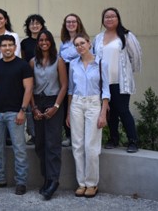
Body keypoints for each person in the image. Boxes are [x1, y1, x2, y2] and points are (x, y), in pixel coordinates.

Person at [0, 35, 33, 195]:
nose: (7, 48)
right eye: (3, 45)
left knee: (19, 149)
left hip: (15, 113)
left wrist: (22, 111)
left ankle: (21, 182)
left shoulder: (23, 65)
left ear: (15, 47)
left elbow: (28, 89)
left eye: (10, 45)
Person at [66, 34, 110, 198]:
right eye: (76, 45)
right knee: (77, 145)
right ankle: (81, 183)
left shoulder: (101, 64)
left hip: (93, 104)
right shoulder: (72, 64)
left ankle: (92, 183)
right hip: (76, 104)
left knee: (91, 146)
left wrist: (103, 112)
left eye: (82, 43)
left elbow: (105, 90)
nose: (79, 47)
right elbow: (70, 89)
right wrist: (69, 111)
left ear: (89, 44)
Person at [93, 7, 142, 153]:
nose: (109, 19)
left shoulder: (126, 36)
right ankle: (113, 139)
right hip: (104, 83)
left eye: (112, 16)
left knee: (123, 110)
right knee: (111, 111)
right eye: (106, 17)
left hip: (120, 82)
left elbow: (136, 56)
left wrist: (127, 72)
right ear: (103, 20)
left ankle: (133, 140)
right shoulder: (98, 38)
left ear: (118, 18)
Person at [30, 30, 67, 200]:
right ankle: (45, 178)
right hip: (38, 102)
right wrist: (34, 108)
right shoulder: (32, 62)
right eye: (41, 40)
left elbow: (64, 85)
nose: (44, 42)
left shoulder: (58, 61)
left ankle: (53, 181)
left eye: (47, 39)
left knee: (52, 143)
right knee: (40, 143)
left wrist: (56, 106)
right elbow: (29, 87)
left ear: (51, 42)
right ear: (38, 43)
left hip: (54, 101)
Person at [59, 13, 89, 147]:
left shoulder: (84, 40)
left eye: (73, 22)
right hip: (65, 74)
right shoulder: (63, 43)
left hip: (79, 73)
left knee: (79, 104)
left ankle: (82, 137)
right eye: (68, 22)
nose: (71, 24)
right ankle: (70, 136)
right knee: (66, 105)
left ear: (78, 23)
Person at [20, 14, 47, 145]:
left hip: (45, 78)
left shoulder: (45, 39)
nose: (34, 26)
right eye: (32, 24)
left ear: (42, 25)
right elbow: (23, 60)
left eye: (37, 23)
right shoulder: (24, 43)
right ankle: (33, 134)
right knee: (31, 107)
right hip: (29, 78)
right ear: (28, 27)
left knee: (45, 105)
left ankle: (45, 134)